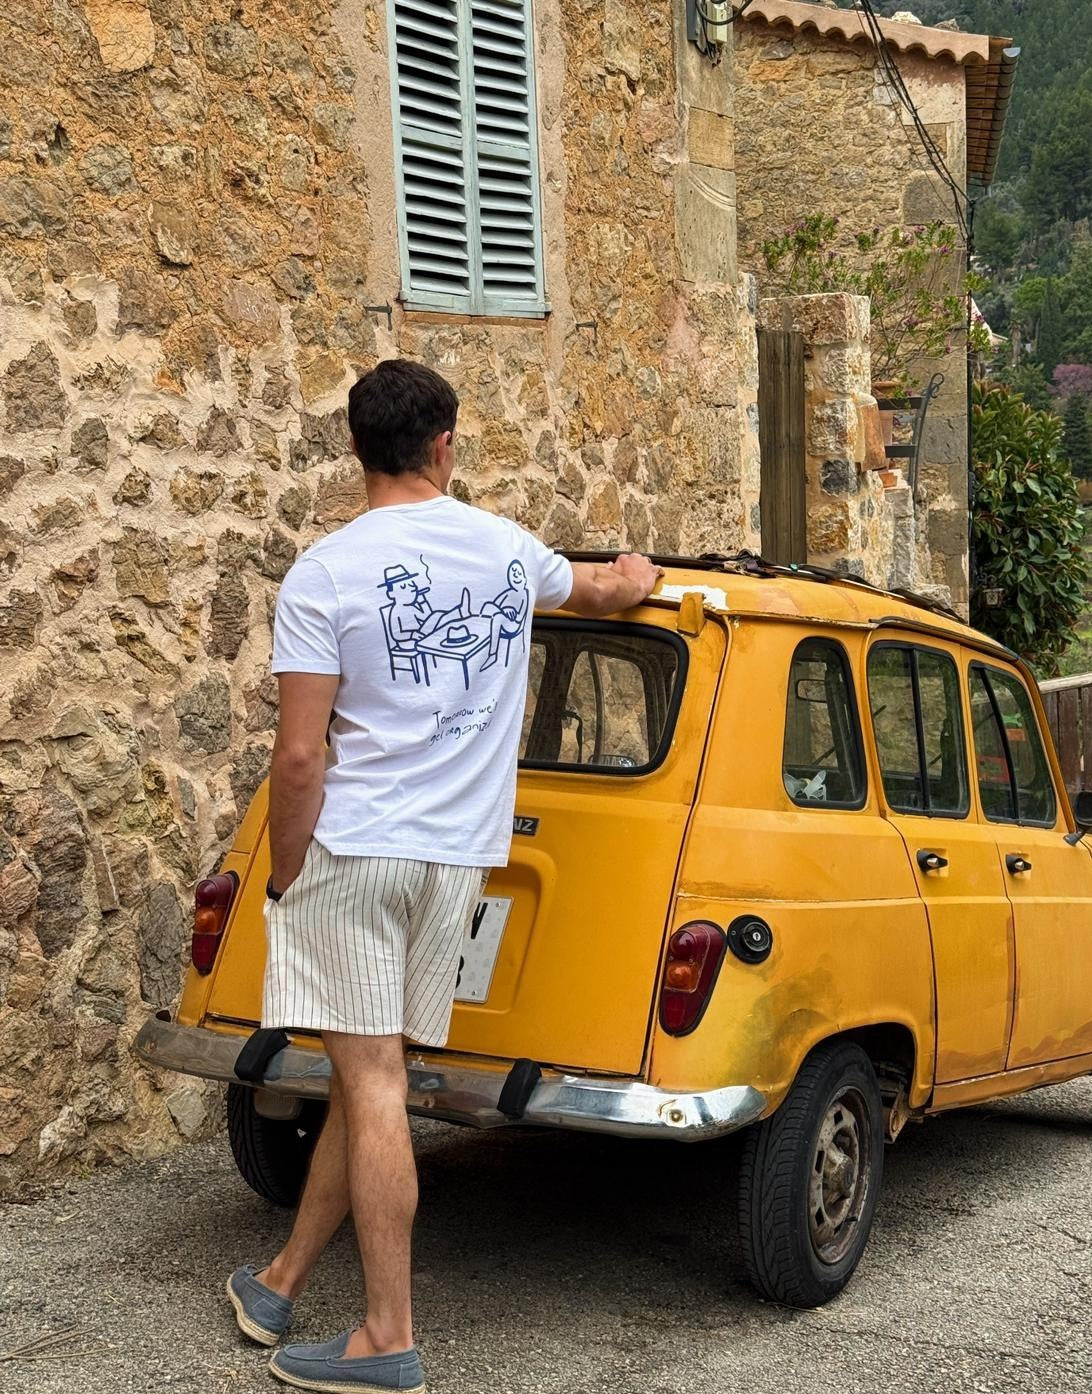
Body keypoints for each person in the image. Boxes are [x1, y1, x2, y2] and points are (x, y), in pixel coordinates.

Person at [225, 357, 662, 1394]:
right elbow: (602, 588)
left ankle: (388, 1335)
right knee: (369, 1073)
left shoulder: (326, 572)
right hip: (458, 862)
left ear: (355, 449)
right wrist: (635, 574)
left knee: (371, 1078)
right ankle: (282, 1279)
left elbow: (300, 757)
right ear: (445, 445)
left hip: (360, 850)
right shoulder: (507, 549)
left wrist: (286, 874)